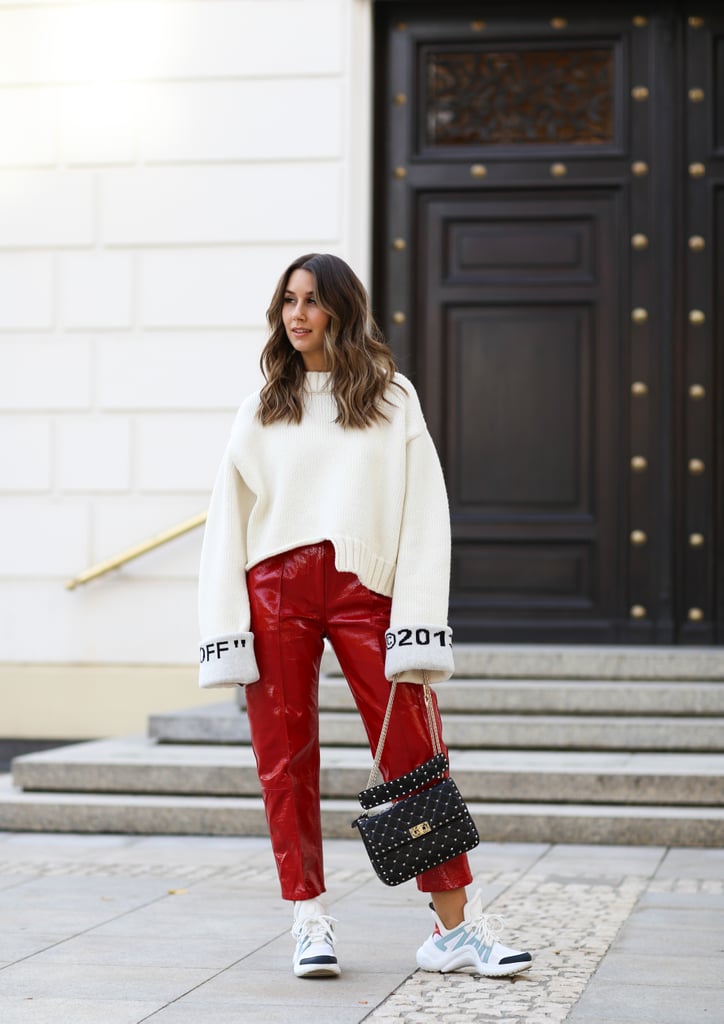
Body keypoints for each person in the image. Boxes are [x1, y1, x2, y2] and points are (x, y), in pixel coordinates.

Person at [197, 253, 532, 980]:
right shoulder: (263, 404)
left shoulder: (389, 397)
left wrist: (417, 617)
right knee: (284, 758)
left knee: (413, 753)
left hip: (365, 590)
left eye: (312, 301)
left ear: (343, 310)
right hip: (275, 589)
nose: (296, 315)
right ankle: (308, 919)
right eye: (288, 300)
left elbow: (424, 515)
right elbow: (227, 522)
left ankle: (455, 929)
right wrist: (226, 625)